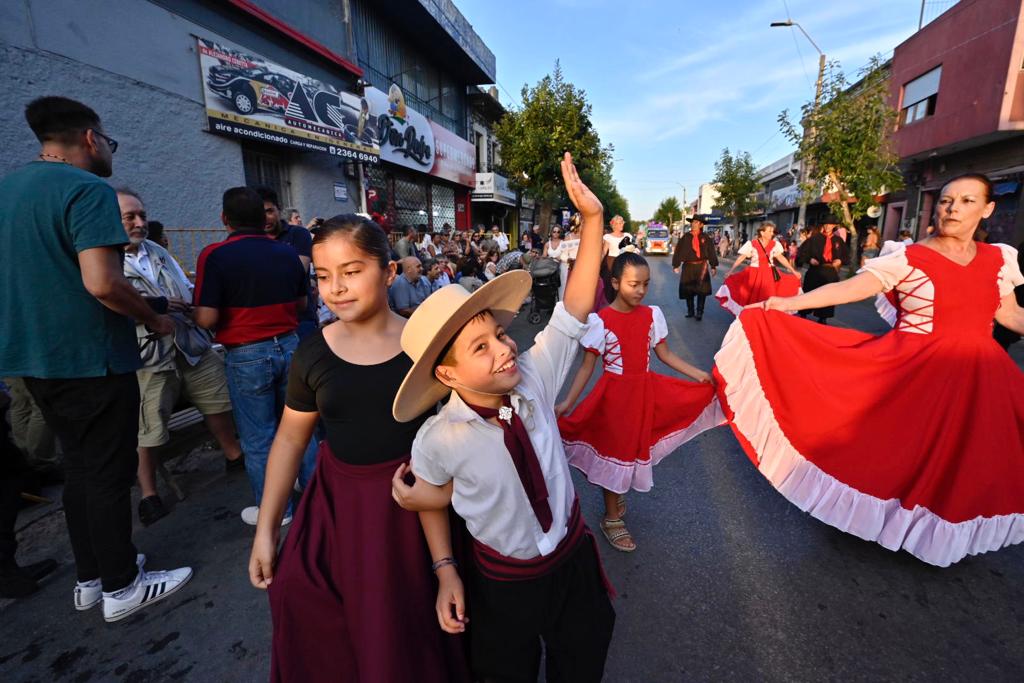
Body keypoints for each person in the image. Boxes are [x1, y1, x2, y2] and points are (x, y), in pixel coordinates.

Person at [715, 173, 1024, 567]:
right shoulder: (908, 257)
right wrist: (784, 304)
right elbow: (852, 289)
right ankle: (883, 522)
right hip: (915, 371)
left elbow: (1010, 314)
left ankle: (935, 531)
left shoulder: (999, 259)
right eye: (946, 200)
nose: (953, 209)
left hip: (980, 375)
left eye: (966, 201)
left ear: (987, 208)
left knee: (964, 458)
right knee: (898, 450)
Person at [390, 152, 615, 682]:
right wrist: (446, 571)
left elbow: (574, 309)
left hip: (570, 560)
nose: (504, 350)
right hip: (502, 581)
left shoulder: (533, 376)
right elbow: (430, 500)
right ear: (447, 377)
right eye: (480, 348)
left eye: (498, 335)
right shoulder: (438, 437)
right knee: (504, 670)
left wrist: (593, 222)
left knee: (582, 659)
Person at [248, 215, 469, 683]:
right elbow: (290, 438)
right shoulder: (312, 353)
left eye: (351, 272)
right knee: (303, 599)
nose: (336, 288)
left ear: (389, 273)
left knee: (408, 620)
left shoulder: (424, 346)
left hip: (415, 505)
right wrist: (266, 529)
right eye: (323, 277)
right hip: (338, 507)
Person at [0, 96, 191, 620]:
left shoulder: (8, 190)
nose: (109, 150)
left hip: (32, 360)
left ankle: (93, 576)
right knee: (108, 474)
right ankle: (123, 586)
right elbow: (103, 283)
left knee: (80, 471)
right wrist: (153, 317)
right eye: (108, 140)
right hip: (90, 358)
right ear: (90, 138)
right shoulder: (86, 189)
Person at [555, 252, 723, 552]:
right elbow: (586, 367)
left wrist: (698, 374)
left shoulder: (651, 315)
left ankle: (615, 495)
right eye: (634, 284)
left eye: (645, 284)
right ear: (616, 283)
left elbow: (665, 354)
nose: (641, 291)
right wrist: (568, 402)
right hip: (614, 398)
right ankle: (611, 517)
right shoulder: (600, 321)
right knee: (615, 450)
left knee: (632, 448)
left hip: (644, 393)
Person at [117, 188, 244, 526]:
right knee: (150, 426)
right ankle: (149, 493)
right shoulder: (105, 259)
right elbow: (108, 304)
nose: (139, 223)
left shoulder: (156, 250)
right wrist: (154, 306)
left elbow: (185, 292)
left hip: (188, 342)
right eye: (130, 217)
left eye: (141, 215)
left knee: (217, 397)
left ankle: (234, 455)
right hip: (147, 355)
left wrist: (185, 303)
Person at [193, 187, 317, 526]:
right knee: (302, 429)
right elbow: (303, 305)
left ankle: (276, 512)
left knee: (259, 438)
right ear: (263, 218)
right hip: (290, 347)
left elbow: (205, 318)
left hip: (247, 354)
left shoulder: (214, 255)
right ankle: (316, 501)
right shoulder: (287, 254)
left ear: (224, 219)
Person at [257, 187, 319, 340]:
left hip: (300, 319)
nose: (265, 218)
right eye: (258, 214)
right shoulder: (253, 239)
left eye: (269, 211)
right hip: (266, 324)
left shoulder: (298, 234)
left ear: (279, 209)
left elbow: (297, 271)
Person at [715, 221, 801, 316]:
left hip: (769, 275)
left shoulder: (775, 244)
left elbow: (781, 258)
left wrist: (793, 271)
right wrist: (731, 271)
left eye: (772, 231)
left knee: (768, 296)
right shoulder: (752, 244)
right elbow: (741, 257)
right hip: (754, 274)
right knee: (752, 297)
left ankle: (765, 318)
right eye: (769, 231)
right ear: (762, 232)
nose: (772, 233)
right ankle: (752, 318)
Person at [795, 224, 848, 324]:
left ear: (834, 226)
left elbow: (846, 255)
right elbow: (802, 252)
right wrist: (809, 259)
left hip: (830, 270)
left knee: (828, 294)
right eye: (826, 224)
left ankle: (823, 316)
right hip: (815, 270)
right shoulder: (814, 239)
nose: (828, 226)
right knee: (809, 291)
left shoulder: (838, 240)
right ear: (823, 225)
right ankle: (803, 312)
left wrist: (840, 261)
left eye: (831, 224)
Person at [672, 216, 718, 320]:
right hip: (688, 266)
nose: (693, 224)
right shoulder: (686, 237)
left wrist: (713, 266)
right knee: (688, 290)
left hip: (702, 266)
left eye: (696, 222)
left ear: (701, 225)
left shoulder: (706, 238)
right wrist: (676, 265)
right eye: (693, 222)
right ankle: (690, 311)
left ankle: (699, 312)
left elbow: (711, 252)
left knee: (702, 291)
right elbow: (678, 251)